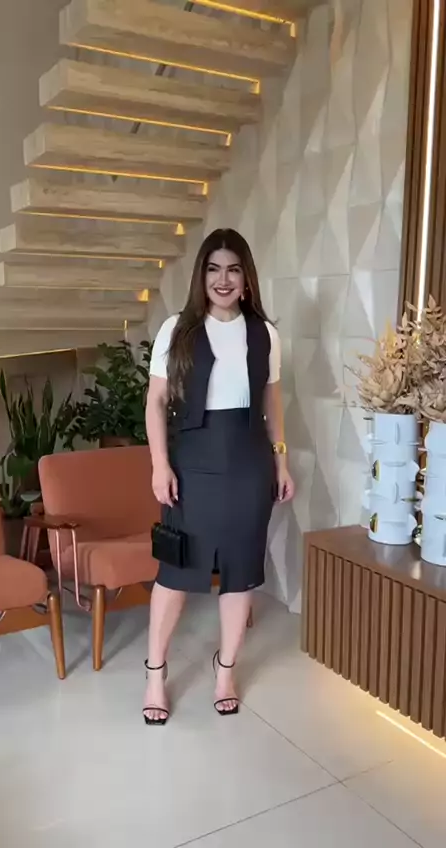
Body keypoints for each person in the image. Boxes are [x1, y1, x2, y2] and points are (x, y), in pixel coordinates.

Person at [143, 228, 295, 725]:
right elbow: (156, 401)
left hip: (249, 463)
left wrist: (281, 461)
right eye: (213, 269)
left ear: (246, 278)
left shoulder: (265, 334)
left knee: (240, 571)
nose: (223, 279)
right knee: (175, 572)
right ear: (201, 275)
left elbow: (272, 403)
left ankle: (225, 669)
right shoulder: (177, 329)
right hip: (191, 463)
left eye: (233, 269)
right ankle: (155, 673)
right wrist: (160, 464)